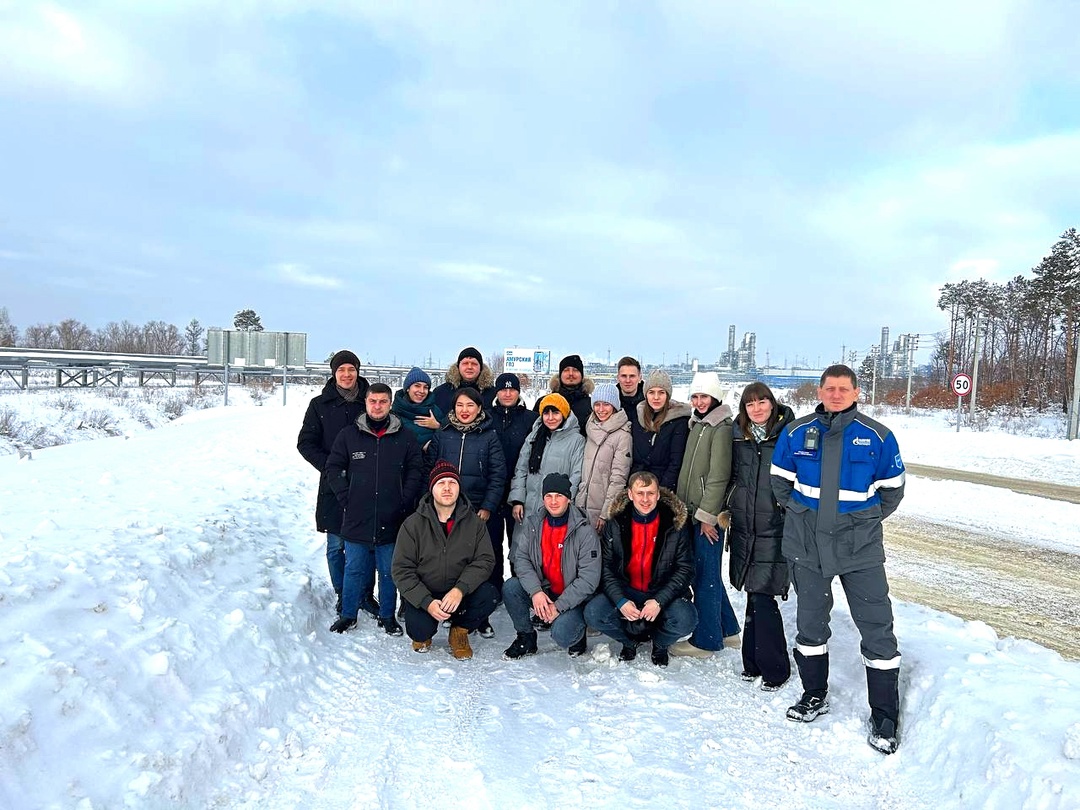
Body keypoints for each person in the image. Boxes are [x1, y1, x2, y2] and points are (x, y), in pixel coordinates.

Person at [771, 364, 906, 754]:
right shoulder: (797, 433)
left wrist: (861, 523)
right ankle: (814, 694)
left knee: (878, 628)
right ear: (820, 390)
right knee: (810, 625)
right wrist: (802, 517)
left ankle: (884, 716)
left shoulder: (878, 436)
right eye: (829, 388)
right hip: (806, 547)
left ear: (856, 393)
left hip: (859, 550)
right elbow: (780, 481)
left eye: (843, 389)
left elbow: (891, 492)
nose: (835, 394)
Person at [325, 383, 424, 637]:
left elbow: (416, 469)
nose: (377, 406)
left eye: (383, 401)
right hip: (357, 517)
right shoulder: (349, 435)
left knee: (390, 571)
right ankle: (348, 614)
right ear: (366, 403)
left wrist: (405, 498)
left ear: (390, 404)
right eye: (373, 401)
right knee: (354, 569)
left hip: (393, 518)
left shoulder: (404, 436)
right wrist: (347, 498)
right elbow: (333, 468)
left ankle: (387, 616)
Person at [583, 471, 697, 667]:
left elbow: (685, 568)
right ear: (630, 494)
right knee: (594, 613)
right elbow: (606, 567)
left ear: (658, 494)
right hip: (627, 588)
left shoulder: (675, 523)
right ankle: (629, 641)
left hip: (660, 590)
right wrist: (620, 600)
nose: (645, 499)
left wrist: (659, 601)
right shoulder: (617, 522)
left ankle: (660, 644)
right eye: (640, 493)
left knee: (687, 618)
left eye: (650, 493)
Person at [726, 382, 795, 689]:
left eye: (762, 402)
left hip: (775, 525)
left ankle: (776, 669)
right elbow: (730, 476)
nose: (757, 409)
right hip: (744, 523)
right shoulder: (738, 436)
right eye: (750, 404)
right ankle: (752, 662)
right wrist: (730, 503)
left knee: (764, 593)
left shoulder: (787, 436)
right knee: (753, 593)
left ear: (772, 403)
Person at [392, 461, 499, 659]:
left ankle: (459, 630)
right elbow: (401, 569)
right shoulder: (413, 524)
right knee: (418, 630)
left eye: (453, 482)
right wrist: (426, 602)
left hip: (460, 593)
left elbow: (484, 560)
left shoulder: (474, 523)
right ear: (432, 488)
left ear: (459, 487)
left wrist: (460, 589)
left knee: (489, 594)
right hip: (427, 591)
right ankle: (425, 630)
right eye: (441, 483)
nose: (447, 488)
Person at [670, 371, 741, 657]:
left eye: (704, 396)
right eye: (695, 396)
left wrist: (707, 516)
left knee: (705, 576)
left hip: (706, 517)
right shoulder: (698, 423)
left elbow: (718, 476)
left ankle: (707, 640)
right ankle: (728, 629)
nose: (699, 402)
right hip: (691, 511)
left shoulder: (721, 427)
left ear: (716, 397)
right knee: (705, 572)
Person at [426, 387, 507, 635]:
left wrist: (487, 507)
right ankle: (451, 609)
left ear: (479, 409)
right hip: (446, 510)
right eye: (460, 405)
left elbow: (498, 475)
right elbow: (429, 470)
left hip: (478, 512)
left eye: (470, 406)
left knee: (480, 562)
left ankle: (478, 616)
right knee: (451, 561)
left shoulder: (489, 436)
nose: (465, 411)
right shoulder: (443, 434)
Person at [296, 349, 370, 617]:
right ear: (334, 374)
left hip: (368, 482)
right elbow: (305, 443)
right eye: (342, 370)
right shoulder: (320, 405)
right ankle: (343, 593)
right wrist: (331, 467)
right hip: (333, 484)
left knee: (367, 542)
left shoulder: (370, 401)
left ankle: (364, 594)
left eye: (351, 369)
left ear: (358, 372)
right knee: (336, 544)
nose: (347, 375)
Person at [502, 473, 601, 659]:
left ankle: (577, 635)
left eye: (559, 496)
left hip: (573, 598)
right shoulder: (534, 524)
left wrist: (559, 606)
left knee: (562, 634)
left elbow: (589, 579)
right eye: (548, 496)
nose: (553, 501)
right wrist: (536, 592)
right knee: (511, 587)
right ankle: (526, 638)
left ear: (568, 499)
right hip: (545, 591)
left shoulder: (584, 530)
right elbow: (522, 559)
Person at [509, 393, 586, 524]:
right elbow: (521, 469)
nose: (550, 418)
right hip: (529, 508)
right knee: (525, 543)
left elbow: (576, 475)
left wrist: (562, 503)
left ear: (564, 414)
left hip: (556, 509)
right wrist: (518, 500)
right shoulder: (534, 436)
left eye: (555, 413)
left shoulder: (576, 441)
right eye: (546, 413)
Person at [489, 372, 537, 577]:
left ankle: (520, 584)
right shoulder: (486, 416)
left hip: (520, 492)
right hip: (492, 490)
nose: (507, 394)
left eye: (512, 389)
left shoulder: (531, 419)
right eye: (503, 389)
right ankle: (494, 585)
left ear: (518, 392)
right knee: (491, 541)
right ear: (497, 391)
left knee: (519, 543)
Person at [576, 383, 632, 532]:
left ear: (614, 406)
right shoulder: (591, 428)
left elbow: (618, 478)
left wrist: (606, 513)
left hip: (601, 507)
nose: (601, 410)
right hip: (581, 504)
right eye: (597, 404)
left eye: (606, 404)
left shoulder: (622, 436)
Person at [631, 369, 691, 491]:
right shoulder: (638, 418)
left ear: (667, 395)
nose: (656, 397)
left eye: (661, 392)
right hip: (637, 486)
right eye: (651, 392)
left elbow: (675, 463)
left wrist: (661, 492)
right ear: (646, 394)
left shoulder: (679, 422)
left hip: (662, 486)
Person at [534, 354, 594, 436]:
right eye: (566, 370)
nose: (571, 374)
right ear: (560, 374)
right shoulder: (544, 402)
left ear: (582, 375)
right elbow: (534, 430)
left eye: (575, 370)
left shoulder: (591, 404)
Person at [392, 367, 444, 451]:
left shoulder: (434, 410)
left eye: (426, 387)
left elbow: (450, 438)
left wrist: (438, 426)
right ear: (408, 388)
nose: (422, 391)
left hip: (430, 462)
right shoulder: (395, 411)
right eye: (417, 386)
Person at [432, 347, 495, 415]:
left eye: (474, 364)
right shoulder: (441, 392)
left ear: (481, 368)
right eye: (465, 363)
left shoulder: (493, 393)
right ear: (458, 366)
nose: (469, 367)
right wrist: (438, 425)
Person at [616, 356, 645, 424]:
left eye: (632, 376)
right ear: (618, 378)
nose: (628, 380)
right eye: (624, 376)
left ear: (640, 378)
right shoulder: (609, 403)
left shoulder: (651, 402)